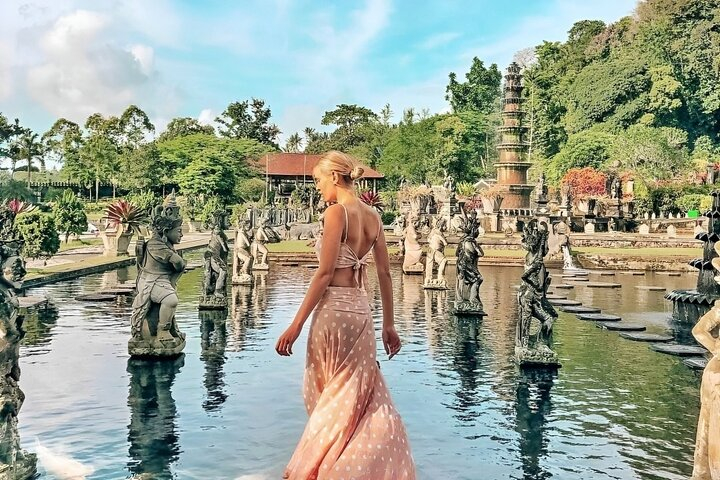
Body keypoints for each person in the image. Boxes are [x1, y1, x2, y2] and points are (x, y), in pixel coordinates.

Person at [276, 151, 416, 479]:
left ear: (336, 178)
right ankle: (354, 467)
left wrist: (295, 325)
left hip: (334, 312)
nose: (318, 187)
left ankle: (324, 469)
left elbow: (324, 274)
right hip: (361, 312)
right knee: (355, 395)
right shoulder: (374, 217)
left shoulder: (336, 213)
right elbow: (384, 273)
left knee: (325, 394)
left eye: (319, 180)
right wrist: (389, 325)